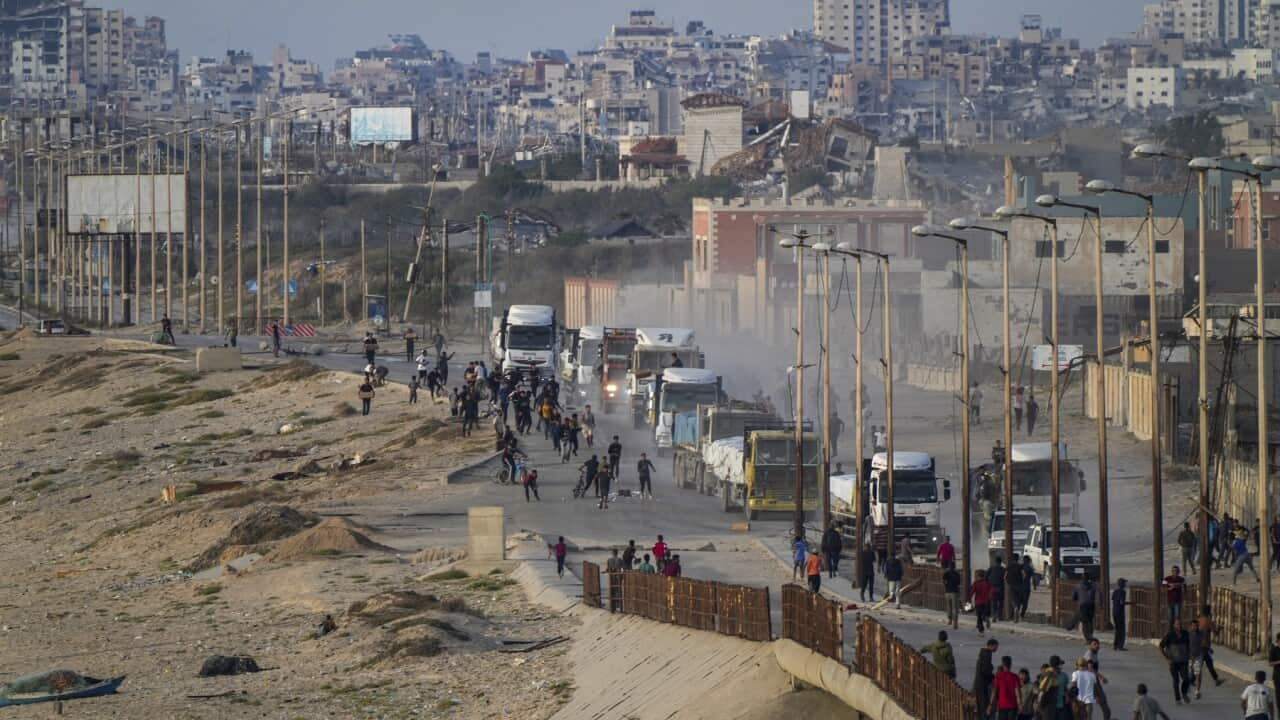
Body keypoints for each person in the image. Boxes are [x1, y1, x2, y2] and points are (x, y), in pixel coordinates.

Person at [1159, 618, 1192, 705]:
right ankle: (1178, 699)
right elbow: (1161, 646)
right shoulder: (1170, 635)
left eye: (1180, 624)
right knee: (1176, 680)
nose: (1179, 626)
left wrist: (1190, 655)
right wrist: (1167, 658)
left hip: (1184, 661)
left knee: (1186, 679)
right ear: (1174, 625)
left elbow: (1189, 645)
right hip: (1173, 662)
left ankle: (1184, 693)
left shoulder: (1186, 634)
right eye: (1177, 624)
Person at [1195, 605, 1224, 694]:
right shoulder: (1208, 621)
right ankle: (1196, 686)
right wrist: (1219, 628)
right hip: (1204, 646)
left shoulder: (1198, 620)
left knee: (1207, 663)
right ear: (1208, 612)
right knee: (1207, 664)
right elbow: (1216, 633)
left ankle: (1216, 679)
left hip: (1197, 645)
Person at [973, 638, 998, 719]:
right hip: (982, 684)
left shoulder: (984, 653)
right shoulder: (987, 654)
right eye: (996, 647)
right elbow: (984, 670)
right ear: (991, 646)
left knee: (981, 706)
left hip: (979, 683)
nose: (996, 649)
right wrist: (992, 676)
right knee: (983, 706)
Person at [994, 656, 1022, 720]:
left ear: (1003, 664)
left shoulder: (998, 676)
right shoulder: (1015, 677)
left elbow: (994, 691)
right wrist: (1020, 704)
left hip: (1002, 705)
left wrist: (990, 704)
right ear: (1011, 664)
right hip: (1013, 705)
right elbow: (1017, 692)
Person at [970, 568, 995, 634]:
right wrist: (990, 597)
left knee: (979, 616)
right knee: (986, 613)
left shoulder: (976, 583)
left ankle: (981, 630)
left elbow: (972, 592)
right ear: (984, 575)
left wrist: (969, 599)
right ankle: (986, 617)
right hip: (987, 601)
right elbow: (992, 590)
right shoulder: (988, 583)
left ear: (978, 576)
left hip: (978, 602)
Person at [942, 561, 962, 629]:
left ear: (949, 566)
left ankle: (950, 619)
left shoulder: (946, 573)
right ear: (955, 567)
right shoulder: (957, 574)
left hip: (948, 592)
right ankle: (955, 623)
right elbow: (959, 583)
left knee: (949, 607)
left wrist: (946, 585)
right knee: (955, 608)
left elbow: (943, 580)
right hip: (955, 592)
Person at [1005, 557, 1024, 623]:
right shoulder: (1020, 566)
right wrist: (1022, 581)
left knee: (1013, 599)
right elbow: (1023, 574)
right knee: (1018, 599)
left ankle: (1015, 608)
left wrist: (1007, 582)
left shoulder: (1009, 566)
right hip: (1019, 585)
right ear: (1017, 559)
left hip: (1011, 585)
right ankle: (1017, 609)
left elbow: (1005, 576)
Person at [1112, 578, 1130, 650]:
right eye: (1124, 583)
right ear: (1122, 584)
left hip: (1114, 611)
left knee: (1117, 629)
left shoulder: (1115, 591)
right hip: (1120, 612)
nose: (1125, 584)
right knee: (1122, 629)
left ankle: (1115, 645)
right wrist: (1131, 603)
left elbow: (1114, 600)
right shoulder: (1123, 592)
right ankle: (1120, 645)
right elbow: (1121, 602)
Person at [989, 556, 1007, 622]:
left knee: (994, 603)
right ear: (1000, 562)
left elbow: (986, 576)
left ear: (995, 562)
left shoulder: (991, 568)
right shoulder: (1003, 569)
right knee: (1001, 602)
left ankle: (994, 616)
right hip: (1000, 587)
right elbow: (1005, 578)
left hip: (992, 587)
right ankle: (1000, 616)